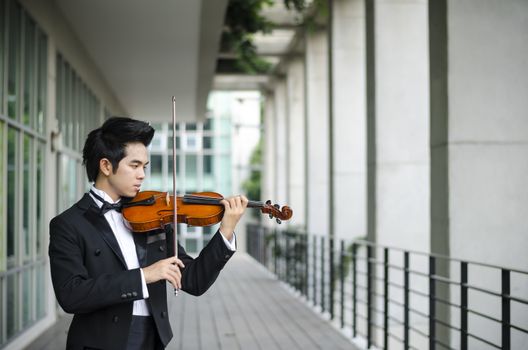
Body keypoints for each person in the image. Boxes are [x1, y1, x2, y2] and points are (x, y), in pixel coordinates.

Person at [49, 116, 248, 350]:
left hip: (151, 340)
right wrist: (144, 276)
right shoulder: (69, 224)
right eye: (134, 166)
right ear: (105, 166)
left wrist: (226, 230)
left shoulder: (152, 215)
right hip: (100, 343)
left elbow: (194, 280)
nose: (142, 174)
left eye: (144, 167)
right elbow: (71, 295)